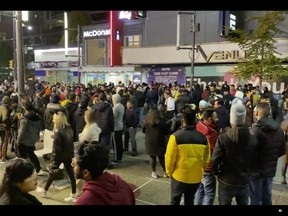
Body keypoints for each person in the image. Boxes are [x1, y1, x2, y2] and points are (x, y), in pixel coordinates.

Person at [211, 98, 259, 205]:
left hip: (226, 179)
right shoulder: (252, 139)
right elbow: (255, 160)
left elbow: (215, 159)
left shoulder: (223, 137)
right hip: (244, 180)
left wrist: (215, 172)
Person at [165, 104, 211, 205]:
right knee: (190, 200)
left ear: (182, 120)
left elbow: (169, 158)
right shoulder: (203, 138)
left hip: (178, 176)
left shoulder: (175, 137)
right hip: (196, 176)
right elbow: (207, 158)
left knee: (174, 200)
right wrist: (201, 167)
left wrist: (169, 172)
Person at [249, 102, 286, 205]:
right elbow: (282, 150)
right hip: (270, 169)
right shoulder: (279, 130)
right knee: (267, 196)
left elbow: (250, 151)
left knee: (255, 198)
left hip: (256, 170)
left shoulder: (255, 130)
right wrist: (271, 157)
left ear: (256, 113)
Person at [37, 110, 77, 203]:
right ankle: (74, 194)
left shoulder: (58, 131)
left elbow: (56, 148)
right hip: (68, 154)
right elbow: (69, 143)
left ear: (58, 120)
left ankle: (44, 190)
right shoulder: (69, 128)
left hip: (59, 156)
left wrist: (53, 159)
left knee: (52, 173)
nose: (53, 121)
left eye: (54, 119)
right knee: (71, 175)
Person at [194, 108, 219, 205]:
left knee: (199, 191)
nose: (217, 119)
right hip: (208, 168)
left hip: (198, 166)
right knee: (209, 193)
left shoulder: (198, 126)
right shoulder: (212, 134)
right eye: (215, 117)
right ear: (209, 119)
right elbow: (215, 152)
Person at [17, 100, 44, 176]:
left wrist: (18, 141)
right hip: (33, 139)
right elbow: (39, 128)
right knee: (31, 154)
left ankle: (24, 172)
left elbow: (22, 131)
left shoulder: (24, 119)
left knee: (23, 157)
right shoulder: (37, 117)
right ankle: (38, 169)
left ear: (24, 108)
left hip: (24, 140)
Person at [142, 107, 169, 179]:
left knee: (152, 157)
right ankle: (165, 172)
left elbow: (143, 130)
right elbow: (166, 131)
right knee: (161, 158)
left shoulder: (147, 121)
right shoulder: (161, 120)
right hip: (159, 141)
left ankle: (153, 172)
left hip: (149, 141)